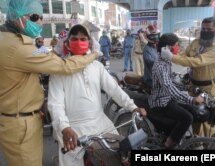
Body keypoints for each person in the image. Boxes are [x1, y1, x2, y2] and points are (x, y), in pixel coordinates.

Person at [0, 0, 98, 166]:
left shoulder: (7, 39)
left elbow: (37, 53)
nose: (40, 22)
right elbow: (65, 66)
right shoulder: (18, 47)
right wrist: (93, 55)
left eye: (41, 17)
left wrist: (54, 50)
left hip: (17, 120)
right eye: (35, 17)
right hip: (21, 124)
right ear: (19, 17)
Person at [47, 24, 146, 166]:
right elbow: (55, 104)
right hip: (72, 128)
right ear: (67, 44)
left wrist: (133, 107)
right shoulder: (59, 70)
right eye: (74, 39)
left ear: (90, 43)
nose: (79, 42)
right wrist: (64, 127)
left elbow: (114, 90)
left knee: (120, 156)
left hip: (101, 123)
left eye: (83, 39)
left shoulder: (97, 67)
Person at [161, 17, 215, 137]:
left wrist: (171, 57)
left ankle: (210, 145)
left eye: (209, 29)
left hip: (208, 86)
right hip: (193, 85)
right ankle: (196, 140)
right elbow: (184, 55)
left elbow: (197, 61)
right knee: (195, 114)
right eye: (203, 28)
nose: (205, 31)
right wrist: (172, 52)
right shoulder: (196, 42)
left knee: (206, 117)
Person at [148, 33, 204, 149]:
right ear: (167, 48)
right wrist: (191, 99)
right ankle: (169, 144)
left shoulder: (166, 62)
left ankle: (182, 137)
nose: (178, 47)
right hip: (161, 102)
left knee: (193, 111)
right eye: (176, 45)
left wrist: (187, 88)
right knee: (187, 117)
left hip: (168, 98)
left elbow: (171, 82)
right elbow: (169, 87)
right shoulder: (160, 65)